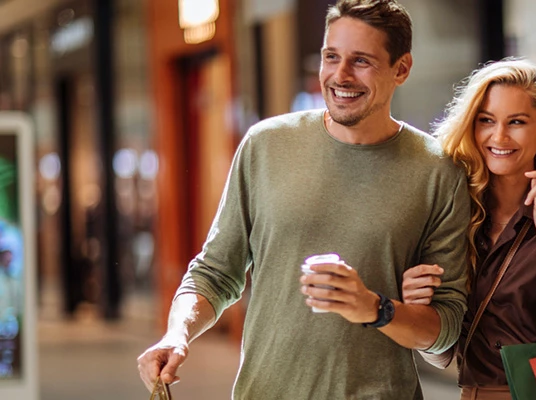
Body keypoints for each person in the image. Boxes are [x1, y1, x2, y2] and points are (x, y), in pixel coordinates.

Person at [136, 1, 469, 398]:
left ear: (401, 68)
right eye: (331, 56)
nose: (340, 76)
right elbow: (215, 273)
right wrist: (178, 333)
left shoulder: (438, 171)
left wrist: (376, 308)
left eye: (361, 61)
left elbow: (444, 328)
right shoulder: (265, 145)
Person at [402, 59, 536, 399]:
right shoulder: (456, 208)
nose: (499, 136)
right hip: (478, 393)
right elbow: (440, 352)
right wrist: (418, 303)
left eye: (516, 122)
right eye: (486, 120)